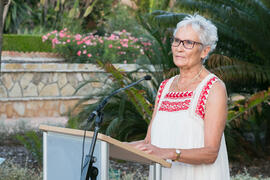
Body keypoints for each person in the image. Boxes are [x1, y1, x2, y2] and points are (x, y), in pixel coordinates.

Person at [129, 14, 230, 180]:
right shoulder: (165, 86)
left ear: (205, 50)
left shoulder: (213, 88)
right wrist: (111, 145)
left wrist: (167, 153)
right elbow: (149, 142)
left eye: (188, 43)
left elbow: (211, 153)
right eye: (176, 40)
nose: (179, 48)